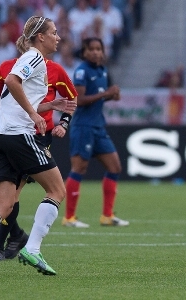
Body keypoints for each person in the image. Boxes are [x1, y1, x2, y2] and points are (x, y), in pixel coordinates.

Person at [0, 16, 66, 276]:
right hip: (18, 135)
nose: (58, 37)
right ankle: (33, 249)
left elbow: (15, 92)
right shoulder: (34, 58)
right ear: (41, 36)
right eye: (54, 32)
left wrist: (44, 108)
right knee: (56, 190)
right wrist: (34, 115)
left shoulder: (24, 60)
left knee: (3, 204)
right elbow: (12, 82)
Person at [0, 51, 77, 261]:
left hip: (34, 137)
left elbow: (72, 97)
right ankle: (17, 235)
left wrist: (64, 123)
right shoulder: (6, 68)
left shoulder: (54, 69)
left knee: (13, 195)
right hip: (6, 134)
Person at [63, 37, 129, 228]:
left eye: (98, 49)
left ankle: (107, 216)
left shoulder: (103, 70)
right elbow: (80, 100)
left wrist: (111, 96)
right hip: (83, 126)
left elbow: (102, 98)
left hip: (98, 126)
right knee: (79, 168)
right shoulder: (82, 71)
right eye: (91, 49)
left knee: (115, 166)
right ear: (84, 52)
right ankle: (69, 218)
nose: (95, 52)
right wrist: (105, 94)